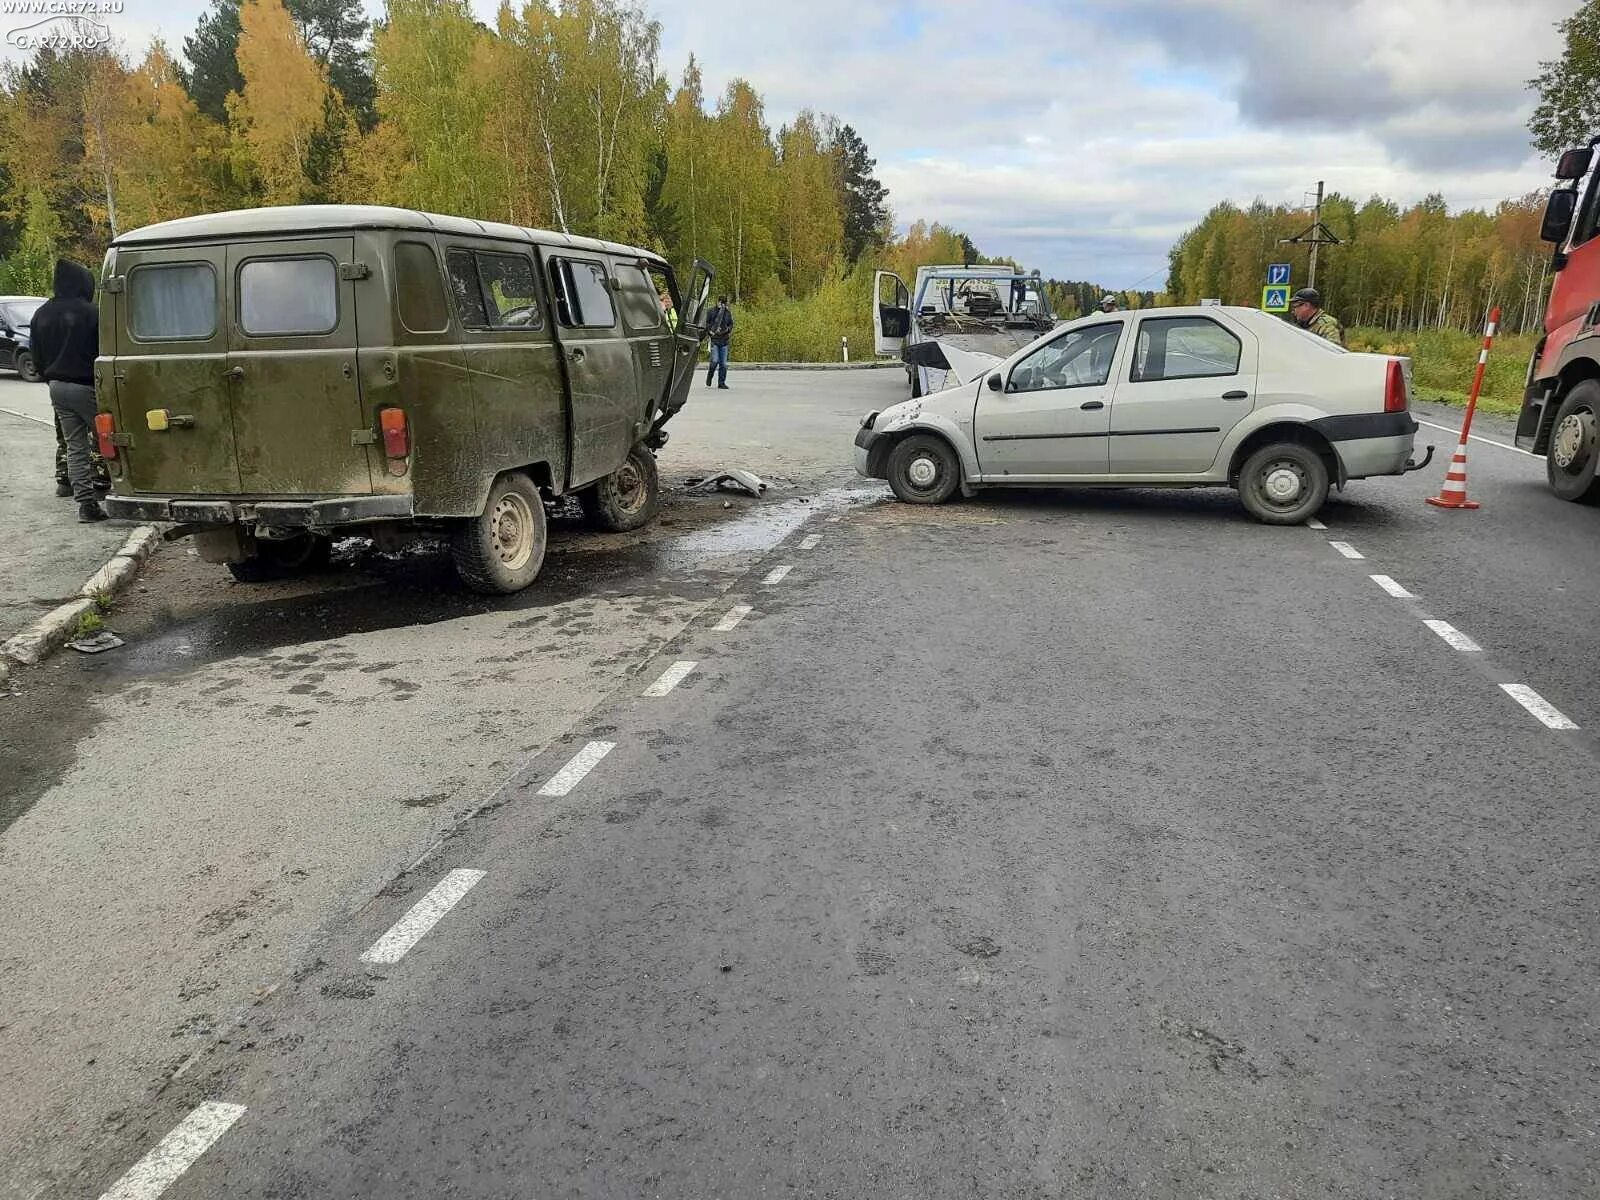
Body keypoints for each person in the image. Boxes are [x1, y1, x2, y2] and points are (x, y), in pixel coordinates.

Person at [33, 259, 107, 522]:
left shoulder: (41, 313)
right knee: (113, 438)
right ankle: (129, 491)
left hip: (56, 388)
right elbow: (105, 350)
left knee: (75, 446)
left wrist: (49, 378)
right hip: (86, 386)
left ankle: (86, 506)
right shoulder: (92, 313)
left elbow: (36, 355)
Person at [705, 295, 733, 389]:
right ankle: (710, 375)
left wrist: (727, 330)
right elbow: (707, 323)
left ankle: (721, 383)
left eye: (724, 303)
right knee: (714, 361)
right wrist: (711, 331)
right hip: (714, 340)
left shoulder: (727, 313)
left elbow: (731, 324)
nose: (722, 305)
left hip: (724, 340)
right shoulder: (711, 312)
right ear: (718, 302)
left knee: (723, 364)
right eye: (721, 302)